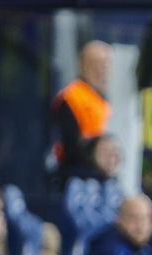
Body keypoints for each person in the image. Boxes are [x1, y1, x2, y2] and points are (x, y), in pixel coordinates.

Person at [50, 41, 112, 185]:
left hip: (94, 172)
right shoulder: (71, 97)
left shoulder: (98, 97)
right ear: (82, 65)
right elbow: (70, 147)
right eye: (95, 63)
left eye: (105, 63)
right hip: (76, 176)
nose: (101, 69)